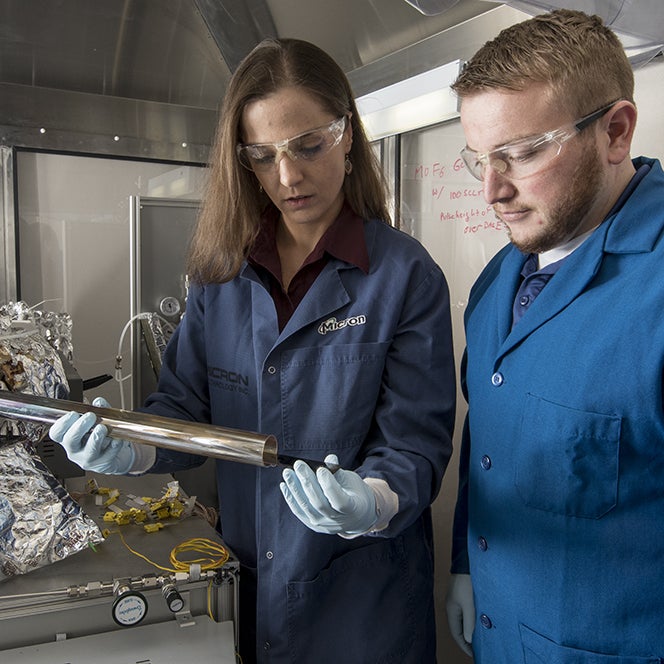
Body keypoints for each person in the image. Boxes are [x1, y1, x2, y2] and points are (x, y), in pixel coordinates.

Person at [49, 38, 456, 663]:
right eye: (262, 157)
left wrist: (371, 500)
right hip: (249, 590)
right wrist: (129, 450)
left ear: (347, 134)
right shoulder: (221, 276)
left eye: (309, 146)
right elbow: (182, 411)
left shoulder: (405, 276)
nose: (287, 177)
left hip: (362, 606)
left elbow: (415, 445)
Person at [444, 8, 664, 663]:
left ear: (615, 131)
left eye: (522, 153)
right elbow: (485, 441)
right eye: (478, 158)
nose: (492, 190)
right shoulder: (497, 285)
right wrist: (463, 563)